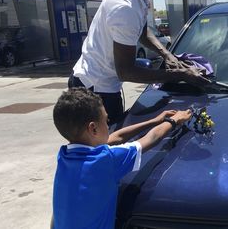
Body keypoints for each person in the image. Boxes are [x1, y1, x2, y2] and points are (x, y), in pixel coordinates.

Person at [69, 0, 209, 124]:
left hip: (102, 84)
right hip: (96, 90)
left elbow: (143, 32)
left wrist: (167, 54)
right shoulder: (124, 7)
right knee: (105, 148)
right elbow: (126, 72)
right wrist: (181, 75)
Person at [51, 87, 192, 229]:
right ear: (93, 129)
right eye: (106, 121)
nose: (108, 125)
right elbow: (151, 138)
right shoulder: (107, 160)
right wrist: (174, 120)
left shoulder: (63, 156)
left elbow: (116, 137)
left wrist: (154, 121)